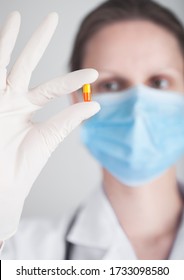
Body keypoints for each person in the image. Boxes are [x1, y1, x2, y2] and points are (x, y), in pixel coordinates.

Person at [0, 0, 184, 260]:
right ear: (78, 101)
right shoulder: (22, 252)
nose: (138, 108)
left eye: (160, 81)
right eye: (110, 85)